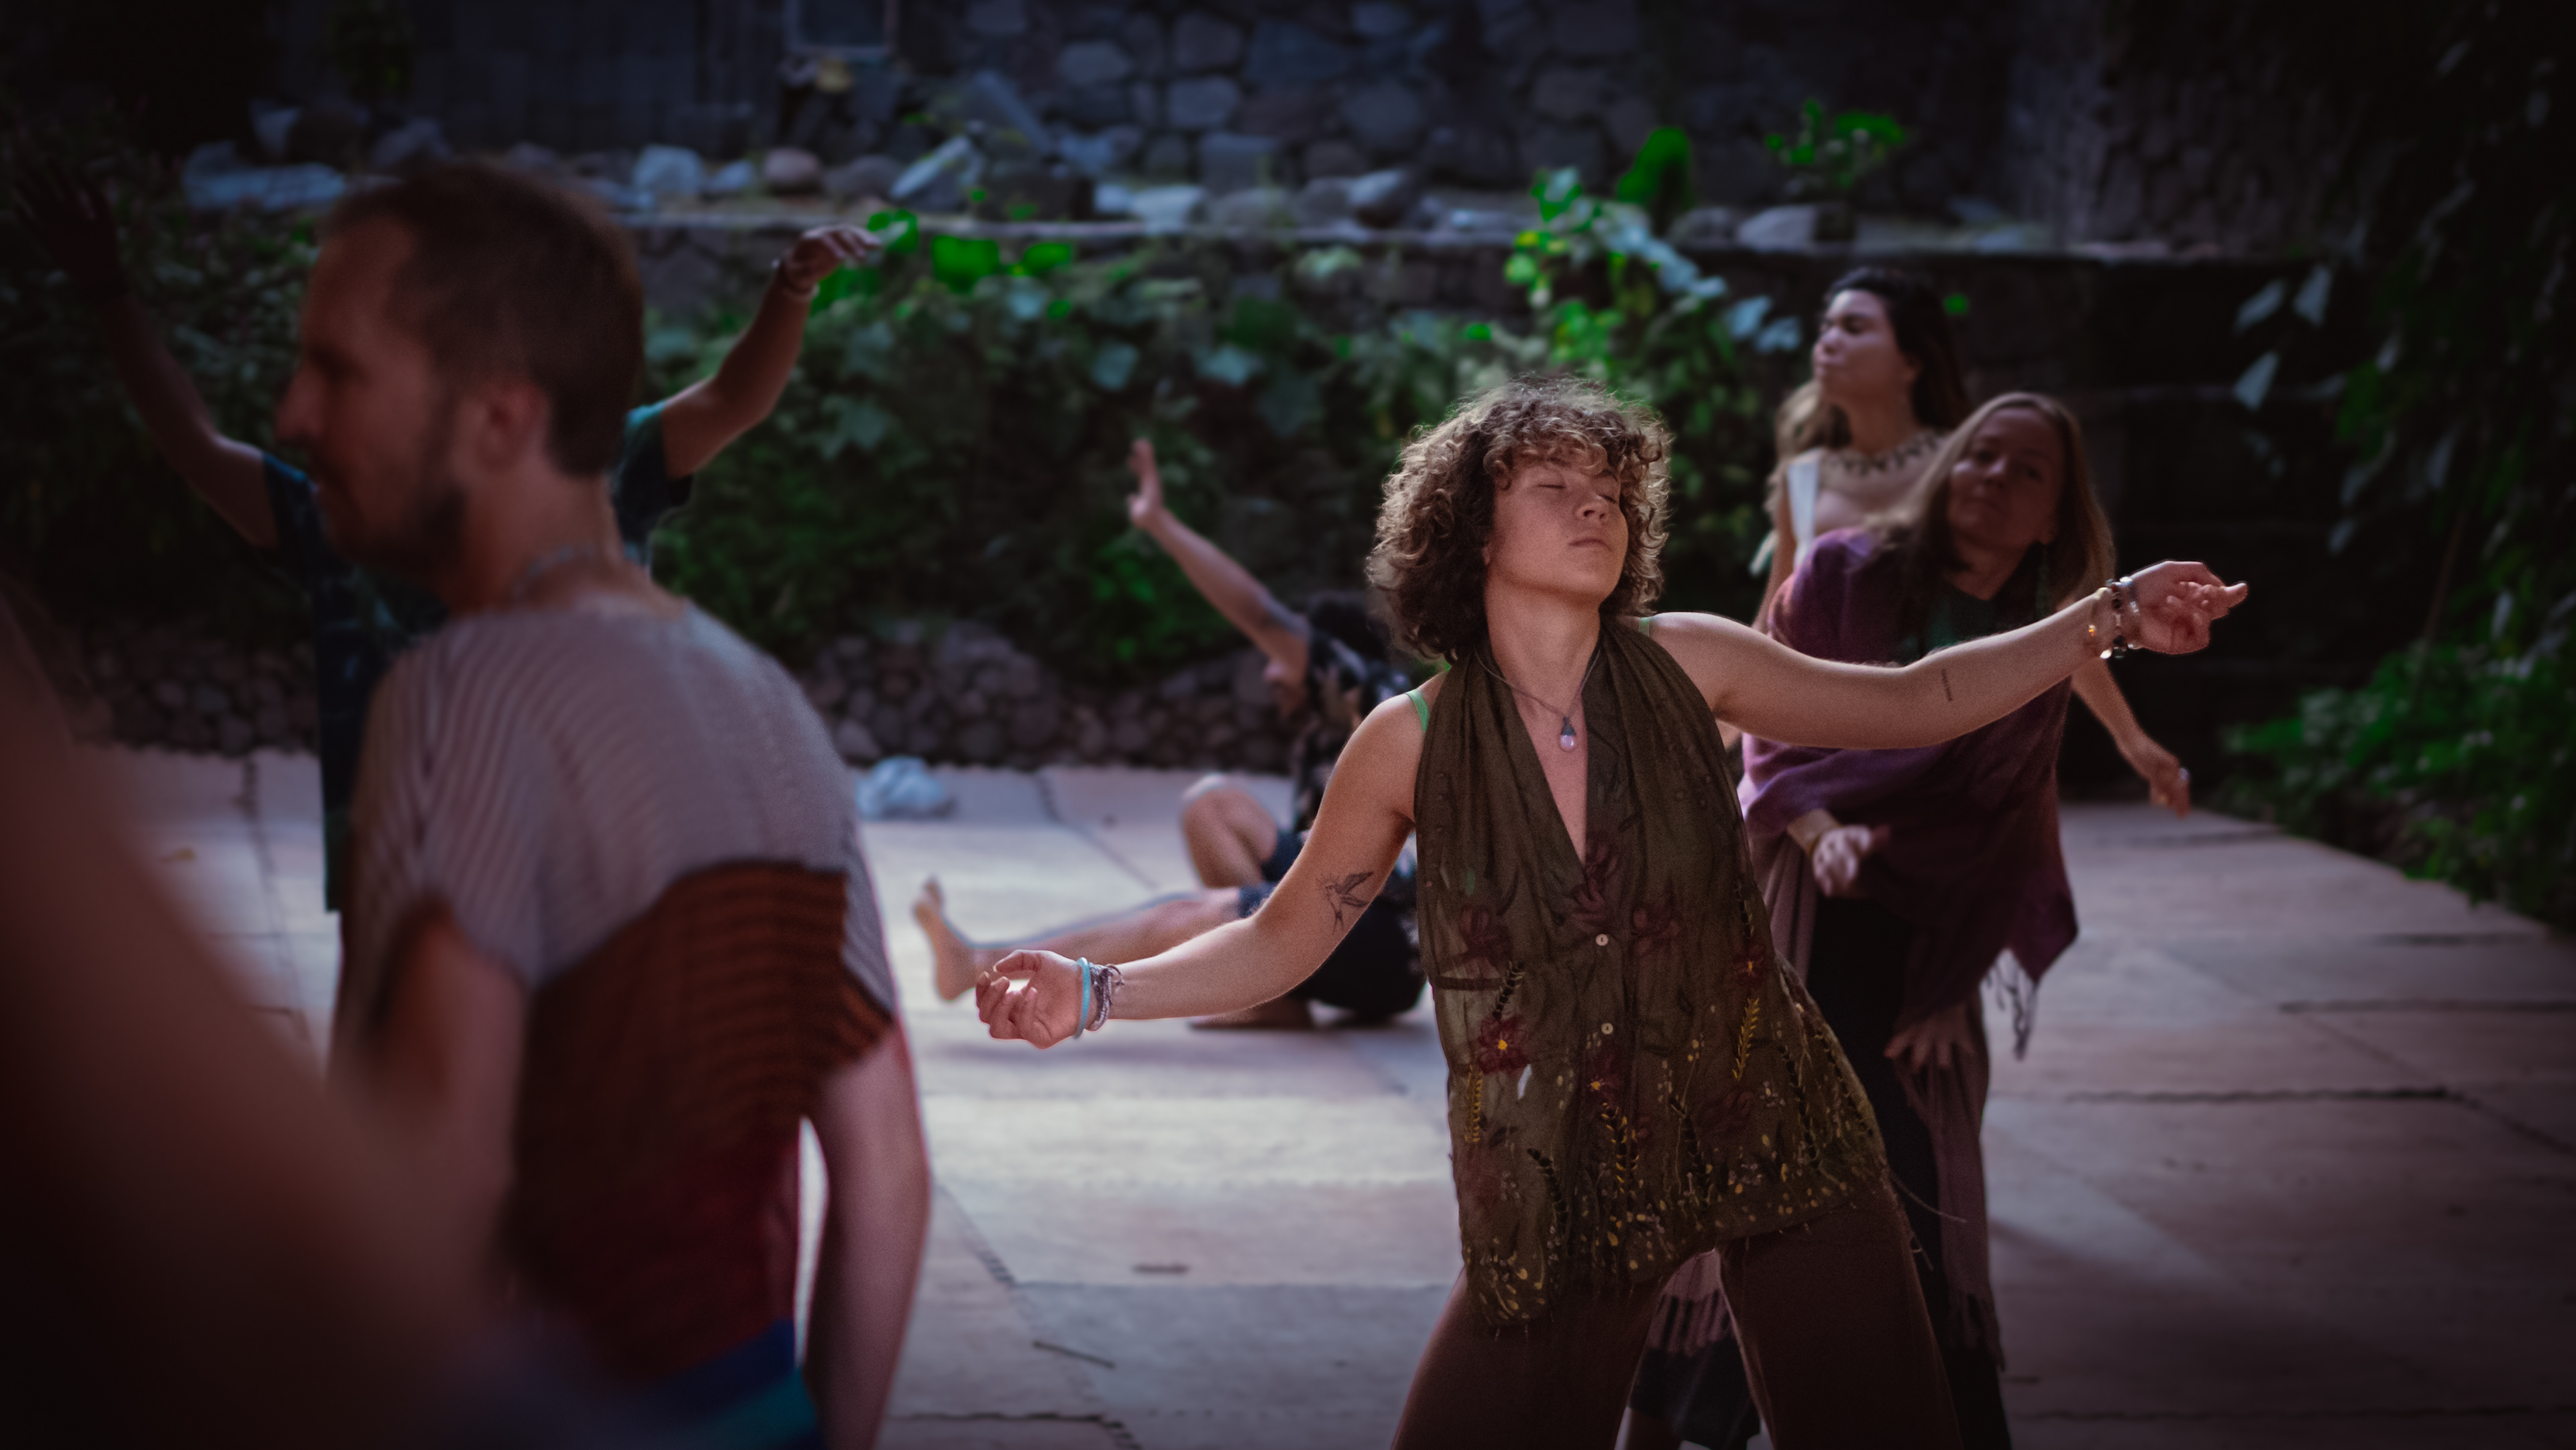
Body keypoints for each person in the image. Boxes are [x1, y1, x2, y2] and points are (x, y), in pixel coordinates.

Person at [970, 376, 2245, 1449]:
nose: (1597, 503)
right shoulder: (1404, 743)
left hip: (1774, 1116)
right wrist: (1096, 992)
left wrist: (2113, 613)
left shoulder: (1693, 661)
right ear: (1473, 531)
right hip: (1564, 1159)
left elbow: (1922, 697)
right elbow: (1284, 936)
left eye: (1611, 490)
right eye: (1555, 485)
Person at [279, 163, 928, 1446]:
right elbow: (890, 1172)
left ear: (502, 417)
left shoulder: (458, 693)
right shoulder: (769, 710)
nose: (296, 414)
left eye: (338, 371)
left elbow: (439, 1185)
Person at [11, 156, 881, 908]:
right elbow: (200, 451)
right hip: (402, 883)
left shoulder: (593, 468)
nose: (297, 415)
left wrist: (791, 286)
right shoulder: (346, 518)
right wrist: (109, 296)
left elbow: (731, 401)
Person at [1625, 395, 2142, 1450]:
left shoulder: (2044, 624)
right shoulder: (1843, 571)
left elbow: (2010, 814)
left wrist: (1955, 988)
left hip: (1932, 930)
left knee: (1914, 1179)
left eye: (2028, 470)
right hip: (1800, 898)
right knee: (1763, 1159)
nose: (1994, 477)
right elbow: (1766, 731)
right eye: (1981, 454)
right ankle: (1674, 1420)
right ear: (1946, 467)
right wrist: (1820, 833)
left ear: (2055, 519)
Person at [913, 436, 1424, 1029]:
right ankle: (1268, 990)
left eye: (1281, 657)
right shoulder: (1328, 726)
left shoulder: (1368, 690)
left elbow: (1257, 610)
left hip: (1388, 945)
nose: (1267, 668)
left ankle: (985, 963)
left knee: (1189, 917)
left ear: (1325, 662)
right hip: (1351, 922)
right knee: (1213, 803)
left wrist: (1160, 524)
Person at [1750, 267, 2188, 812]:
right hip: (1830, 734)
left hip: (1958, 723)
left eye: (1854, 326)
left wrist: (2131, 738)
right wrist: (1701, 724)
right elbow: (1773, 625)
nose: (1829, 341)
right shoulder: (1805, 476)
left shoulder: (1971, 471)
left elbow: (2052, 614)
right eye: (1827, 326)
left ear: (1910, 362)